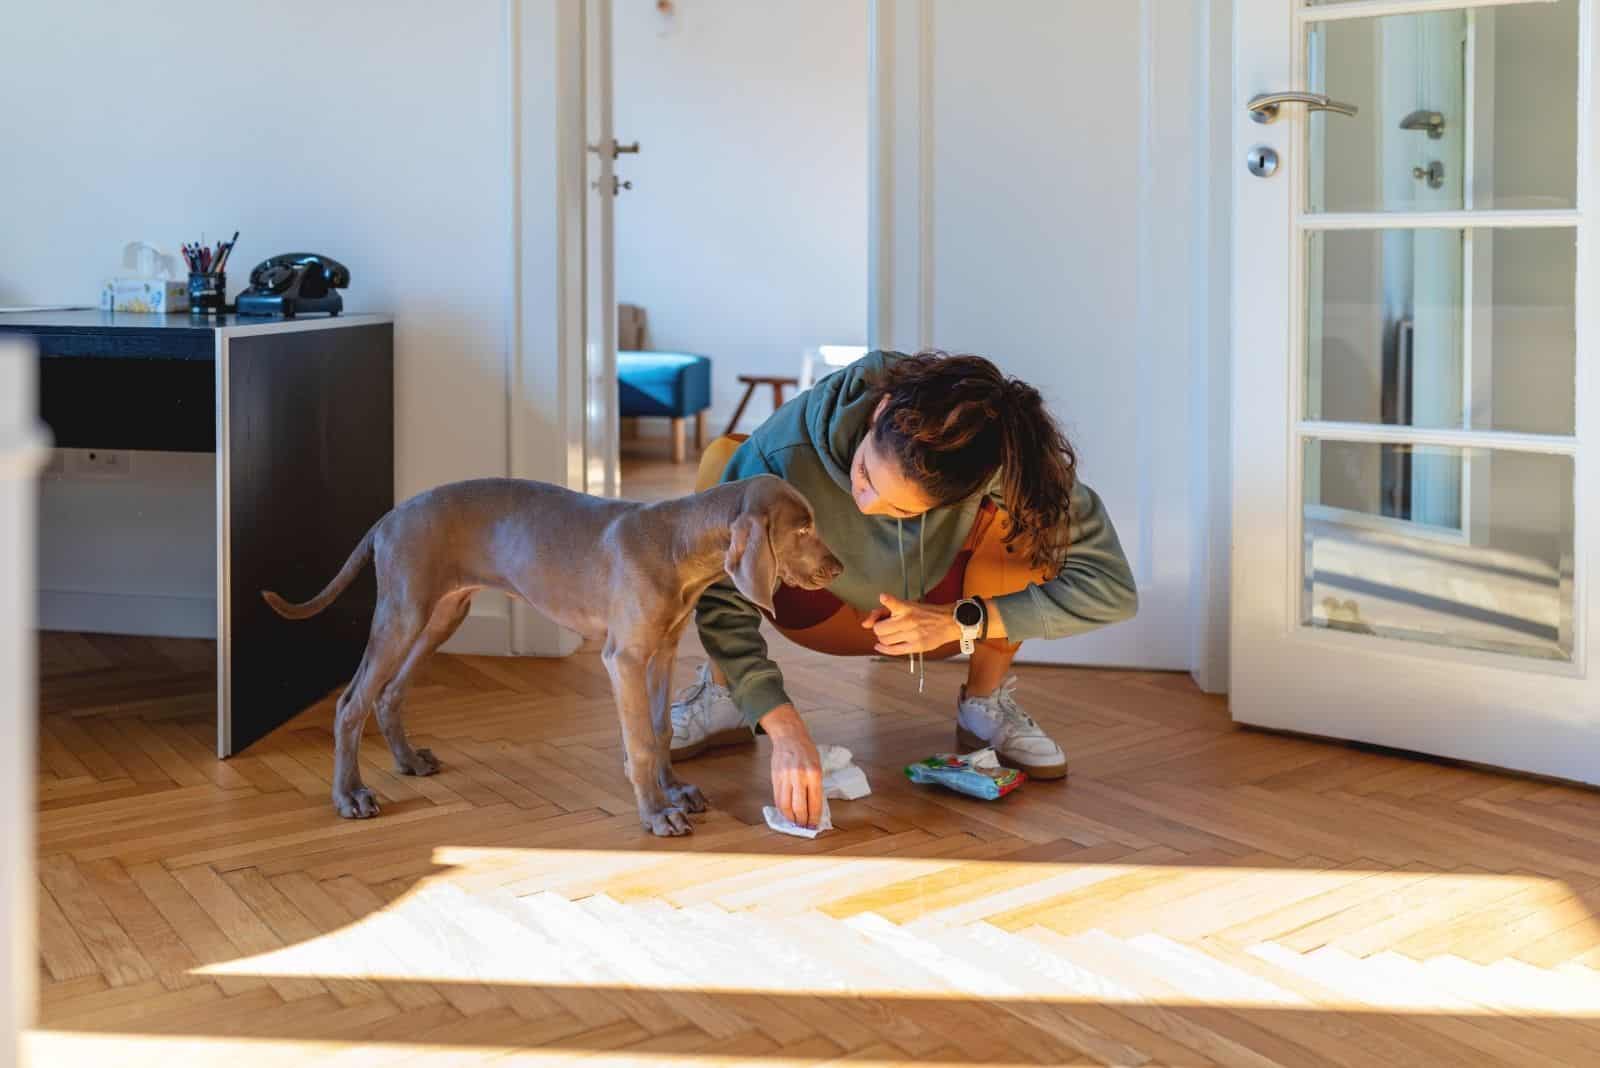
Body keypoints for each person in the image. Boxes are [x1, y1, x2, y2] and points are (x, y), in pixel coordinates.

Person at [672, 350, 1137, 828]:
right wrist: (782, 724)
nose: (868, 506)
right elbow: (722, 599)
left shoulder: (995, 457)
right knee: (723, 467)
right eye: (866, 476)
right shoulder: (779, 454)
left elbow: (1112, 590)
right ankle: (729, 695)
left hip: (938, 621)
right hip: (814, 607)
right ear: (879, 410)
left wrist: (962, 621)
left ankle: (984, 701)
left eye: (903, 511)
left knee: (1022, 517)